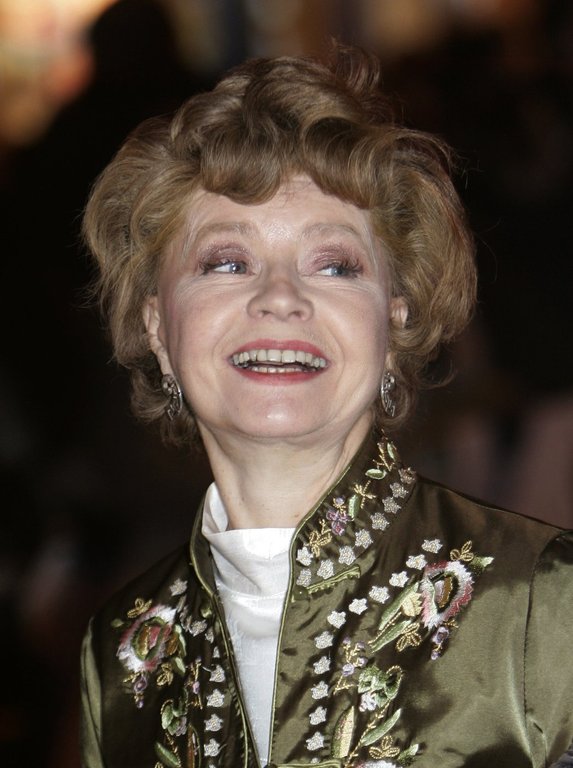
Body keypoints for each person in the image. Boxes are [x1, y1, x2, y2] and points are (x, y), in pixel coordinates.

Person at [79, 43, 573, 768]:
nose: (280, 297)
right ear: (157, 324)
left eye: (333, 264)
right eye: (226, 262)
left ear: (393, 318)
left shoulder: (542, 601)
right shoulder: (123, 650)